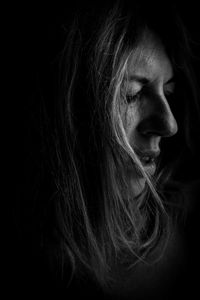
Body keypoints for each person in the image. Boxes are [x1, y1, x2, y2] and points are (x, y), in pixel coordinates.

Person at [18, 1, 200, 299]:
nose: (169, 124)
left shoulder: (184, 228)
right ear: (74, 116)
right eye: (134, 94)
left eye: (167, 92)